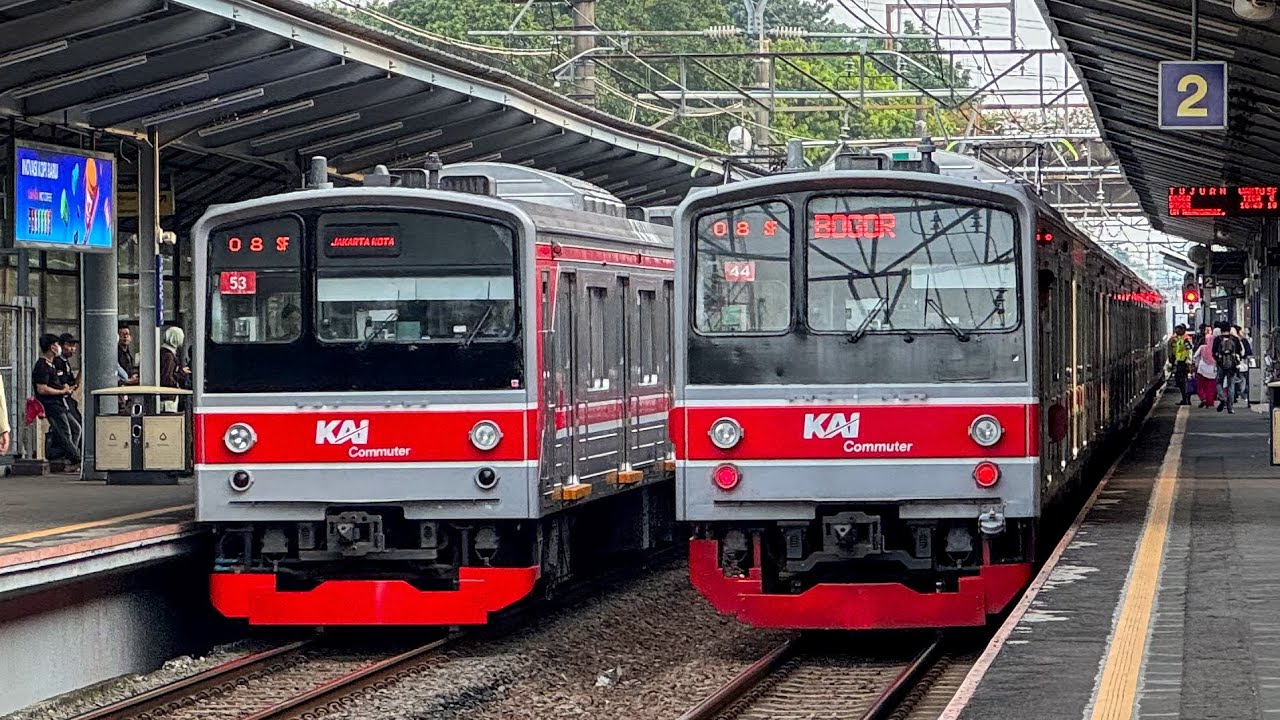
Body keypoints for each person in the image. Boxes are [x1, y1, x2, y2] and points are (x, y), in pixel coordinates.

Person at [33, 333, 79, 472]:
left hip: (60, 403)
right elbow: (42, 389)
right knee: (65, 432)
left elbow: (58, 383)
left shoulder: (52, 364)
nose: (59, 347)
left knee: (75, 428)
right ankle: (75, 458)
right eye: (58, 344)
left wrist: (65, 388)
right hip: (51, 405)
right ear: (52, 347)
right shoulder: (42, 365)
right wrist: (61, 392)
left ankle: (70, 456)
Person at [54, 333, 83, 450]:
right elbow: (61, 385)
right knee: (73, 429)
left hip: (68, 400)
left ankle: (74, 455)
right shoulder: (57, 362)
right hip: (60, 401)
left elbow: (73, 384)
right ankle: (71, 457)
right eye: (69, 345)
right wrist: (66, 388)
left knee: (77, 426)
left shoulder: (66, 363)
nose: (73, 349)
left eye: (74, 346)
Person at [1213, 322, 1243, 414]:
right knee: (1231, 385)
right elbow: (1240, 351)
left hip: (1221, 364)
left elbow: (1213, 352)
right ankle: (1230, 408)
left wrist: (1218, 360)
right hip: (1232, 366)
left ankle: (1222, 398)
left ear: (1220, 330)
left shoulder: (1217, 339)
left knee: (1218, 382)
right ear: (1229, 329)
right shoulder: (1235, 339)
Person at [159, 326, 189, 413]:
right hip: (168, 399)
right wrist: (181, 374)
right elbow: (167, 377)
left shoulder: (164, 353)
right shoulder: (168, 356)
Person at [1168, 325, 1193, 405]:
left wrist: (1188, 362)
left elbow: (1189, 351)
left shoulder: (1185, 339)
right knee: (1181, 382)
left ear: (1183, 330)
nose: (1176, 331)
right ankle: (1185, 399)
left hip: (1184, 363)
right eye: (1176, 329)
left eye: (1178, 329)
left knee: (1183, 382)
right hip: (1180, 362)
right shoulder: (1179, 339)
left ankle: (1186, 400)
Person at [1194, 332, 1217, 408]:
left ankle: (1203, 398)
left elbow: (1195, 356)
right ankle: (1210, 403)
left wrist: (1196, 365)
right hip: (1213, 371)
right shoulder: (1215, 348)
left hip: (1202, 370)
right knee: (1211, 388)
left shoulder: (1202, 347)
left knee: (1201, 386)